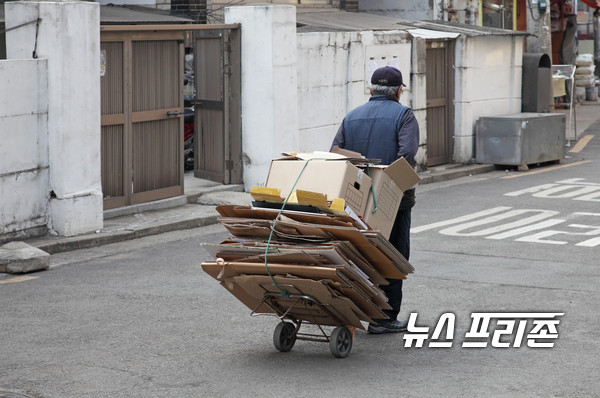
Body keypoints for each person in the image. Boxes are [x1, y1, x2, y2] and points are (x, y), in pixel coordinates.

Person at [331, 65, 419, 334]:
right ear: (399, 91)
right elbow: (407, 155)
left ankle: (356, 308)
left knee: (359, 254)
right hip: (393, 202)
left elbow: (336, 152)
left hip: (354, 200)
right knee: (391, 256)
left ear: (371, 89)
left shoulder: (352, 116)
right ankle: (384, 318)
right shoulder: (404, 116)